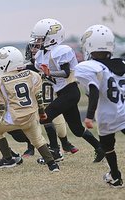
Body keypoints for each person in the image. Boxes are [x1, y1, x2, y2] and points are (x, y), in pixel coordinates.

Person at [30, 18, 104, 163]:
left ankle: (55, 152)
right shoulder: (41, 54)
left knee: (45, 117)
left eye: (40, 38)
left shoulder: (61, 51)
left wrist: (50, 73)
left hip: (70, 91)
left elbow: (65, 72)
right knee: (76, 129)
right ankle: (100, 148)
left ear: (51, 38)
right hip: (63, 93)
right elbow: (38, 70)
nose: (37, 41)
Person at [0, 46, 59, 172]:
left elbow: (0, 107)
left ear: (6, 63)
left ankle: (8, 158)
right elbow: (38, 97)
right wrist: (42, 113)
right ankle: (53, 165)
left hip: (13, 118)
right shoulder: (32, 75)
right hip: (31, 115)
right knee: (38, 140)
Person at [75, 24, 125, 188]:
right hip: (123, 109)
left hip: (108, 114)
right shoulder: (122, 63)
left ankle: (116, 177)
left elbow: (94, 89)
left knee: (107, 147)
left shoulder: (89, 67)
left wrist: (89, 116)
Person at [23, 39, 79, 159]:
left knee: (60, 127)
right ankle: (32, 148)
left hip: (52, 99)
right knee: (30, 125)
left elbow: (64, 74)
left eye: (37, 48)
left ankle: (63, 145)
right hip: (36, 103)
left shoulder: (51, 63)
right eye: (33, 49)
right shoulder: (29, 68)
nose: (34, 51)